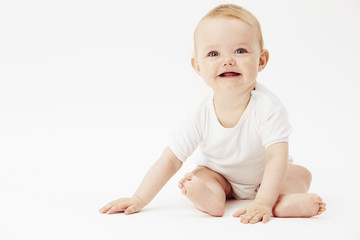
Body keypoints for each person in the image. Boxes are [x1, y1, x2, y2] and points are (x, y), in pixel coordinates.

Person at [99, 4, 326, 224]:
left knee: (300, 174)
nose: (228, 60)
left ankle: (277, 202)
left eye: (240, 50)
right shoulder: (200, 113)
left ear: (261, 60)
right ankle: (213, 200)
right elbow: (170, 159)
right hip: (221, 177)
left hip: (266, 177)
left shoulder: (268, 107)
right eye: (214, 53)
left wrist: (263, 202)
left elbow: (276, 157)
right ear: (197, 66)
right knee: (203, 176)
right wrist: (139, 198)